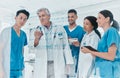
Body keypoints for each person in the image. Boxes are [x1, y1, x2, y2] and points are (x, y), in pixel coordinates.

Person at [33, 8, 73, 78]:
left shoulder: (60, 28)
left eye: (43, 16)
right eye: (39, 16)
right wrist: (37, 39)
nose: (41, 18)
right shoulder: (36, 30)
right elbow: (32, 47)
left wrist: (68, 63)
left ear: (49, 16)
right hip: (43, 63)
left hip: (57, 62)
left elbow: (66, 46)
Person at [81, 10, 120, 78]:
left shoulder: (111, 31)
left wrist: (90, 51)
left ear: (107, 19)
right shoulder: (104, 35)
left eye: (99, 18)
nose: (96, 20)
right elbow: (103, 54)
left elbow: (111, 56)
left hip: (110, 71)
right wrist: (93, 53)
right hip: (103, 71)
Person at [0, 9, 30, 78]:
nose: (22, 21)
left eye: (25, 19)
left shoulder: (24, 34)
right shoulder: (6, 32)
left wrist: (22, 64)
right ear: (15, 18)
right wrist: (0, 69)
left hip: (20, 69)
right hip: (8, 68)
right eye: (21, 18)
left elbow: (22, 49)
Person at [63, 9, 85, 78]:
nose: (70, 18)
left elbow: (86, 45)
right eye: (68, 17)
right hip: (64, 57)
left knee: (72, 75)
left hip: (75, 57)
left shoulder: (81, 30)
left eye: (72, 17)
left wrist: (79, 44)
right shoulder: (63, 29)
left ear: (76, 17)